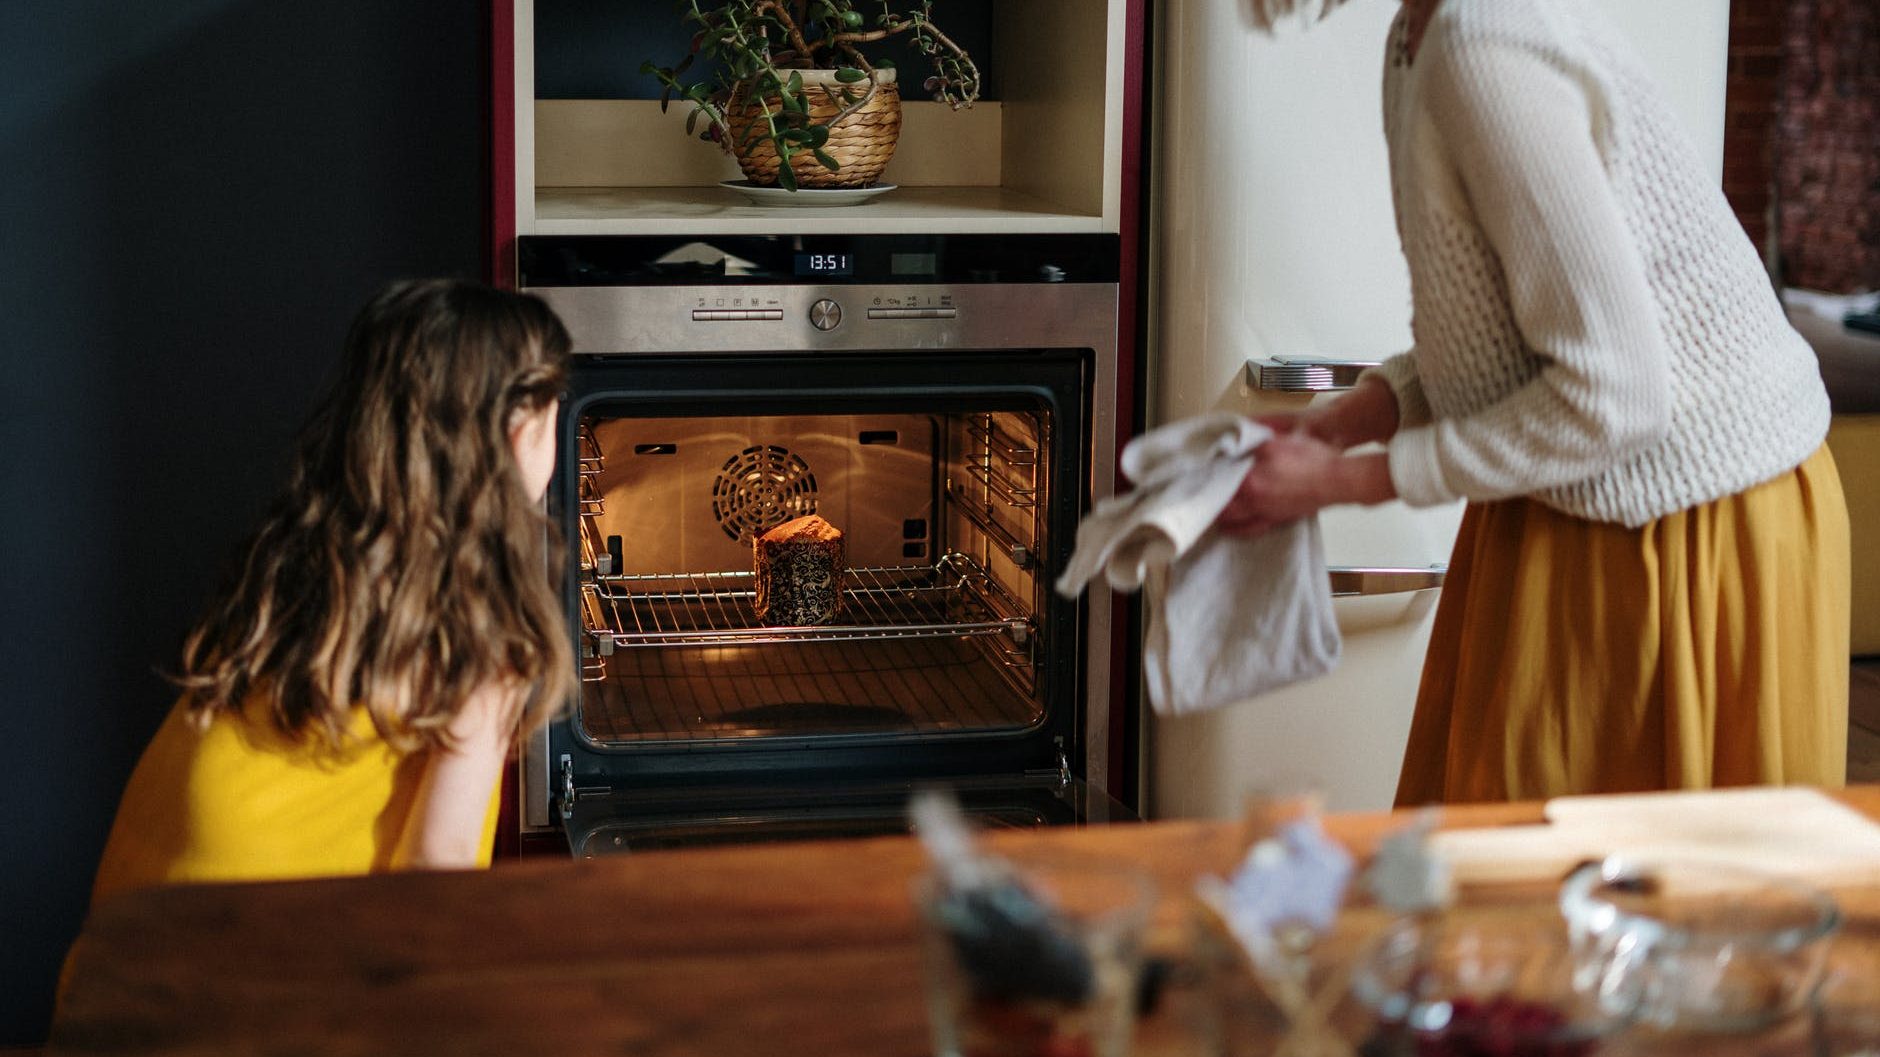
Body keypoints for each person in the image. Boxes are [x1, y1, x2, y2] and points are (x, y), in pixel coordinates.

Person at [1217, 0, 1850, 803]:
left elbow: (1616, 394)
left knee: (1634, 895)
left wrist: (1345, 482)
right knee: (1512, 875)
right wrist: (1344, 422)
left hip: (1694, 520)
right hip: (1572, 493)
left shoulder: (1482, 47)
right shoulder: (1415, 44)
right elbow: (1497, 332)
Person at [89, 279, 576, 903]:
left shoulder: (300, 550)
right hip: (266, 957)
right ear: (517, 433)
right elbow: (437, 862)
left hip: (141, 923)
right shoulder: (482, 623)